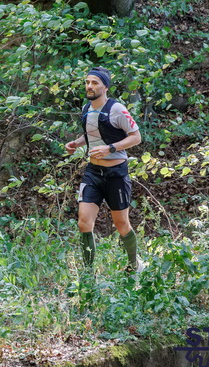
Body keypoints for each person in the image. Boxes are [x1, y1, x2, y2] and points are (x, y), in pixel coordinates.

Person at [65, 67, 143, 274]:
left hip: (116, 174)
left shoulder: (117, 109)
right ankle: (88, 274)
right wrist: (76, 143)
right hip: (93, 173)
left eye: (95, 83)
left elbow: (136, 137)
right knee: (84, 223)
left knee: (121, 224)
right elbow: (92, 134)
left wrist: (111, 148)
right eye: (87, 82)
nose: (89, 86)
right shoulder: (86, 109)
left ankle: (134, 266)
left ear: (105, 87)